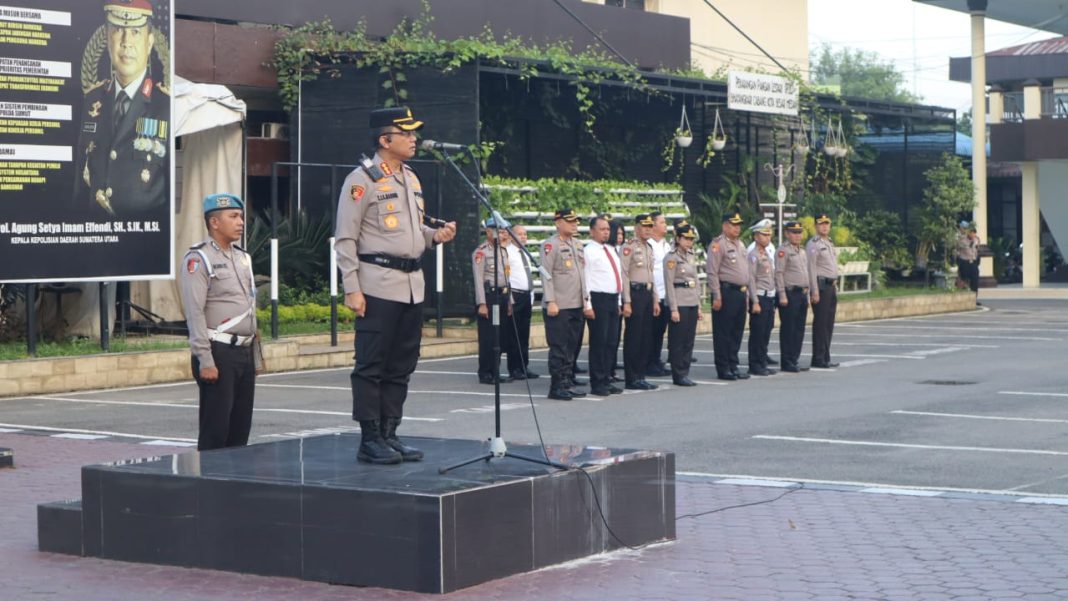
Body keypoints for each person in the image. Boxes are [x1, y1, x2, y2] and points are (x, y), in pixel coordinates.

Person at [335, 106, 457, 464]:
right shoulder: (362, 180)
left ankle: (390, 433)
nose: (414, 139)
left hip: (411, 284)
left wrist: (436, 236)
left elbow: (414, 232)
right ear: (385, 140)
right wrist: (351, 288)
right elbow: (345, 239)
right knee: (371, 364)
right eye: (407, 134)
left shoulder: (411, 178)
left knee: (402, 364)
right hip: (377, 285)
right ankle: (369, 438)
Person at [179, 194, 262, 451]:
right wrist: (205, 359)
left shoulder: (242, 258)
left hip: (244, 351)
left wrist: (256, 357)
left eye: (241, 216)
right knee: (216, 428)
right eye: (233, 217)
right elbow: (195, 313)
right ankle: (209, 485)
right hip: (219, 351)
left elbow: (250, 309)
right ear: (214, 222)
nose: (241, 222)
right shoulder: (198, 259)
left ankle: (234, 484)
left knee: (240, 428)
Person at [75, 0, 170, 217]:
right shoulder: (93, 100)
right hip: (95, 235)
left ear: (149, 43)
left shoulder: (165, 105)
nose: (126, 42)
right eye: (118, 30)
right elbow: (80, 184)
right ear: (108, 39)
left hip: (143, 240)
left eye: (136, 32)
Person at [541, 207, 592, 401]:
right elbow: (546, 275)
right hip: (559, 305)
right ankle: (556, 386)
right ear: (558, 222)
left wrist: (585, 300)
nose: (574, 224)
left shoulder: (577, 244)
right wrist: (550, 300)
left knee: (572, 346)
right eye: (570, 221)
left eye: (576, 221)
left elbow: (581, 275)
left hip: (576, 303)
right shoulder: (551, 245)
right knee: (559, 347)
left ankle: (566, 382)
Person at [706, 211, 751, 381]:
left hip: (740, 292)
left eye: (739, 225)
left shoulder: (740, 244)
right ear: (725, 226)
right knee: (723, 332)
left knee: (736, 331)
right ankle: (723, 367)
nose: (737, 228)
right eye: (733, 225)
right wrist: (717, 295)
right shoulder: (718, 244)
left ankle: (733, 364)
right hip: (726, 292)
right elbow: (712, 271)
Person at [583, 215, 625, 396]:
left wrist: (620, 301)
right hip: (598, 299)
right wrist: (588, 304)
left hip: (612, 299)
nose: (606, 232)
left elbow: (617, 277)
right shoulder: (588, 251)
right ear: (592, 231)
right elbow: (586, 279)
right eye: (602, 229)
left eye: (608, 229)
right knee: (599, 342)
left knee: (611, 342)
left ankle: (607, 378)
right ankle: (598, 382)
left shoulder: (611, 250)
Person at [472, 218, 516, 385]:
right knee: (488, 337)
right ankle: (485, 372)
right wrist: (481, 303)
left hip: (503, 296)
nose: (500, 233)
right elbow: (478, 279)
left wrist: (510, 300)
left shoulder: (503, 251)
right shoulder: (481, 252)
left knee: (499, 336)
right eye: (496, 229)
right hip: (489, 298)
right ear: (488, 231)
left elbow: (507, 277)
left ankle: (495, 371)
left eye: (502, 230)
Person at [620, 214, 660, 390]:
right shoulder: (629, 247)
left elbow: (651, 275)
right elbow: (624, 274)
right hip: (634, 294)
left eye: (650, 226)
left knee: (645, 337)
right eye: (644, 226)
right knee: (634, 337)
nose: (648, 229)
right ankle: (632, 377)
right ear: (636, 227)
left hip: (647, 293)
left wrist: (655, 300)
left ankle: (641, 375)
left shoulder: (649, 247)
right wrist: (626, 301)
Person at [664, 224, 702, 386]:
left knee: (688, 340)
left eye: (691, 239)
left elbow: (696, 280)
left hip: (691, 300)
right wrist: (673, 308)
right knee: (678, 340)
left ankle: (685, 371)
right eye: (686, 238)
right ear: (678, 239)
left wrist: (699, 304)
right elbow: (669, 283)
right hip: (679, 301)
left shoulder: (691, 255)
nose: (689, 242)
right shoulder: (671, 257)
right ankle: (678, 373)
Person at [504, 224, 539, 379]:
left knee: (524, 334)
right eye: (520, 234)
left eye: (525, 234)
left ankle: (524, 366)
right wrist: (509, 298)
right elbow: (507, 277)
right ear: (511, 236)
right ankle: (514, 368)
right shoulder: (507, 253)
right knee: (514, 334)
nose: (523, 237)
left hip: (526, 296)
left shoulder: (525, 253)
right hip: (515, 296)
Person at [776, 221, 811, 373]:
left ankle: (794, 359)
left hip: (802, 294)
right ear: (787, 234)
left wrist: (808, 296)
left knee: (799, 329)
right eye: (794, 232)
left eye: (799, 232)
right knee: (788, 329)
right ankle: (787, 361)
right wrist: (782, 295)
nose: (797, 235)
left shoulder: (802, 251)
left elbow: (806, 274)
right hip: (790, 294)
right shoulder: (783, 251)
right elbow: (778, 273)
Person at [808, 213, 840, 369]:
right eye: (821, 224)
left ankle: (826, 355)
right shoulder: (814, 244)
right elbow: (811, 268)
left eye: (827, 223)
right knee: (820, 324)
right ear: (815, 226)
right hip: (821, 287)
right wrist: (814, 291)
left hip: (831, 286)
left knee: (829, 323)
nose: (824, 226)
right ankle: (818, 357)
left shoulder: (830, 243)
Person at [747, 222, 777, 376]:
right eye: (764, 235)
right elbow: (751, 279)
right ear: (756, 237)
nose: (768, 237)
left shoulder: (767, 254)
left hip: (769, 296)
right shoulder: (753, 255)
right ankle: (755, 364)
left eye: (769, 235)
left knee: (766, 331)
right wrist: (755, 301)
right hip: (759, 296)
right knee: (758, 333)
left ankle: (762, 361)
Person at [646, 211, 672, 376]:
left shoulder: (666, 244)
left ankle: (656, 359)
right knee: (651, 331)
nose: (665, 225)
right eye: (662, 222)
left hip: (666, 294)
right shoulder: (648, 244)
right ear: (653, 225)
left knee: (660, 331)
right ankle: (648, 362)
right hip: (653, 294)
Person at [956, 221, 981, 301]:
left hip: (973, 262)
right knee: (964, 280)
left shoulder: (977, 239)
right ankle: (964, 298)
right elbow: (958, 249)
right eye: (971, 232)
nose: (972, 235)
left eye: (974, 233)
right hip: (965, 262)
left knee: (975, 281)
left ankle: (974, 299)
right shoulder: (962, 239)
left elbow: (977, 249)